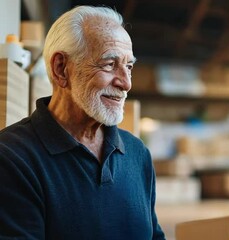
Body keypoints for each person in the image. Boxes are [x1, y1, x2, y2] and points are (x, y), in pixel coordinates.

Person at [0, 5, 165, 239]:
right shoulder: (12, 157)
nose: (126, 83)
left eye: (128, 67)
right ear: (61, 69)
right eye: (109, 64)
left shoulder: (138, 154)